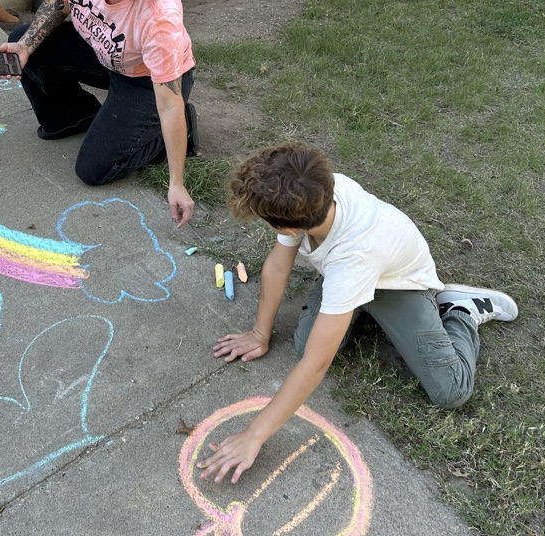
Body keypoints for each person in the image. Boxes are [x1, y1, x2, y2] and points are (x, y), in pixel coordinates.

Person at [198, 142, 518, 484]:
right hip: (351, 277)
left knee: (451, 389)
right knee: (306, 342)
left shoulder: (354, 257)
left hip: (399, 284)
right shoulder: (311, 192)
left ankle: (461, 311)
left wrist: (254, 435)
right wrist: (260, 333)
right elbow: (277, 267)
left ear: (286, 227)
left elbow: (316, 365)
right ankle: (355, 306)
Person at [0, 0, 198, 226]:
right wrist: (26, 47)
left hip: (145, 81)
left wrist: (177, 183)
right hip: (104, 54)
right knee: (22, 38)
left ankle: (173, 137)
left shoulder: (161, 14)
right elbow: (60, 1)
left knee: (93, 169)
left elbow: (169, 103)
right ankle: (75, 117)